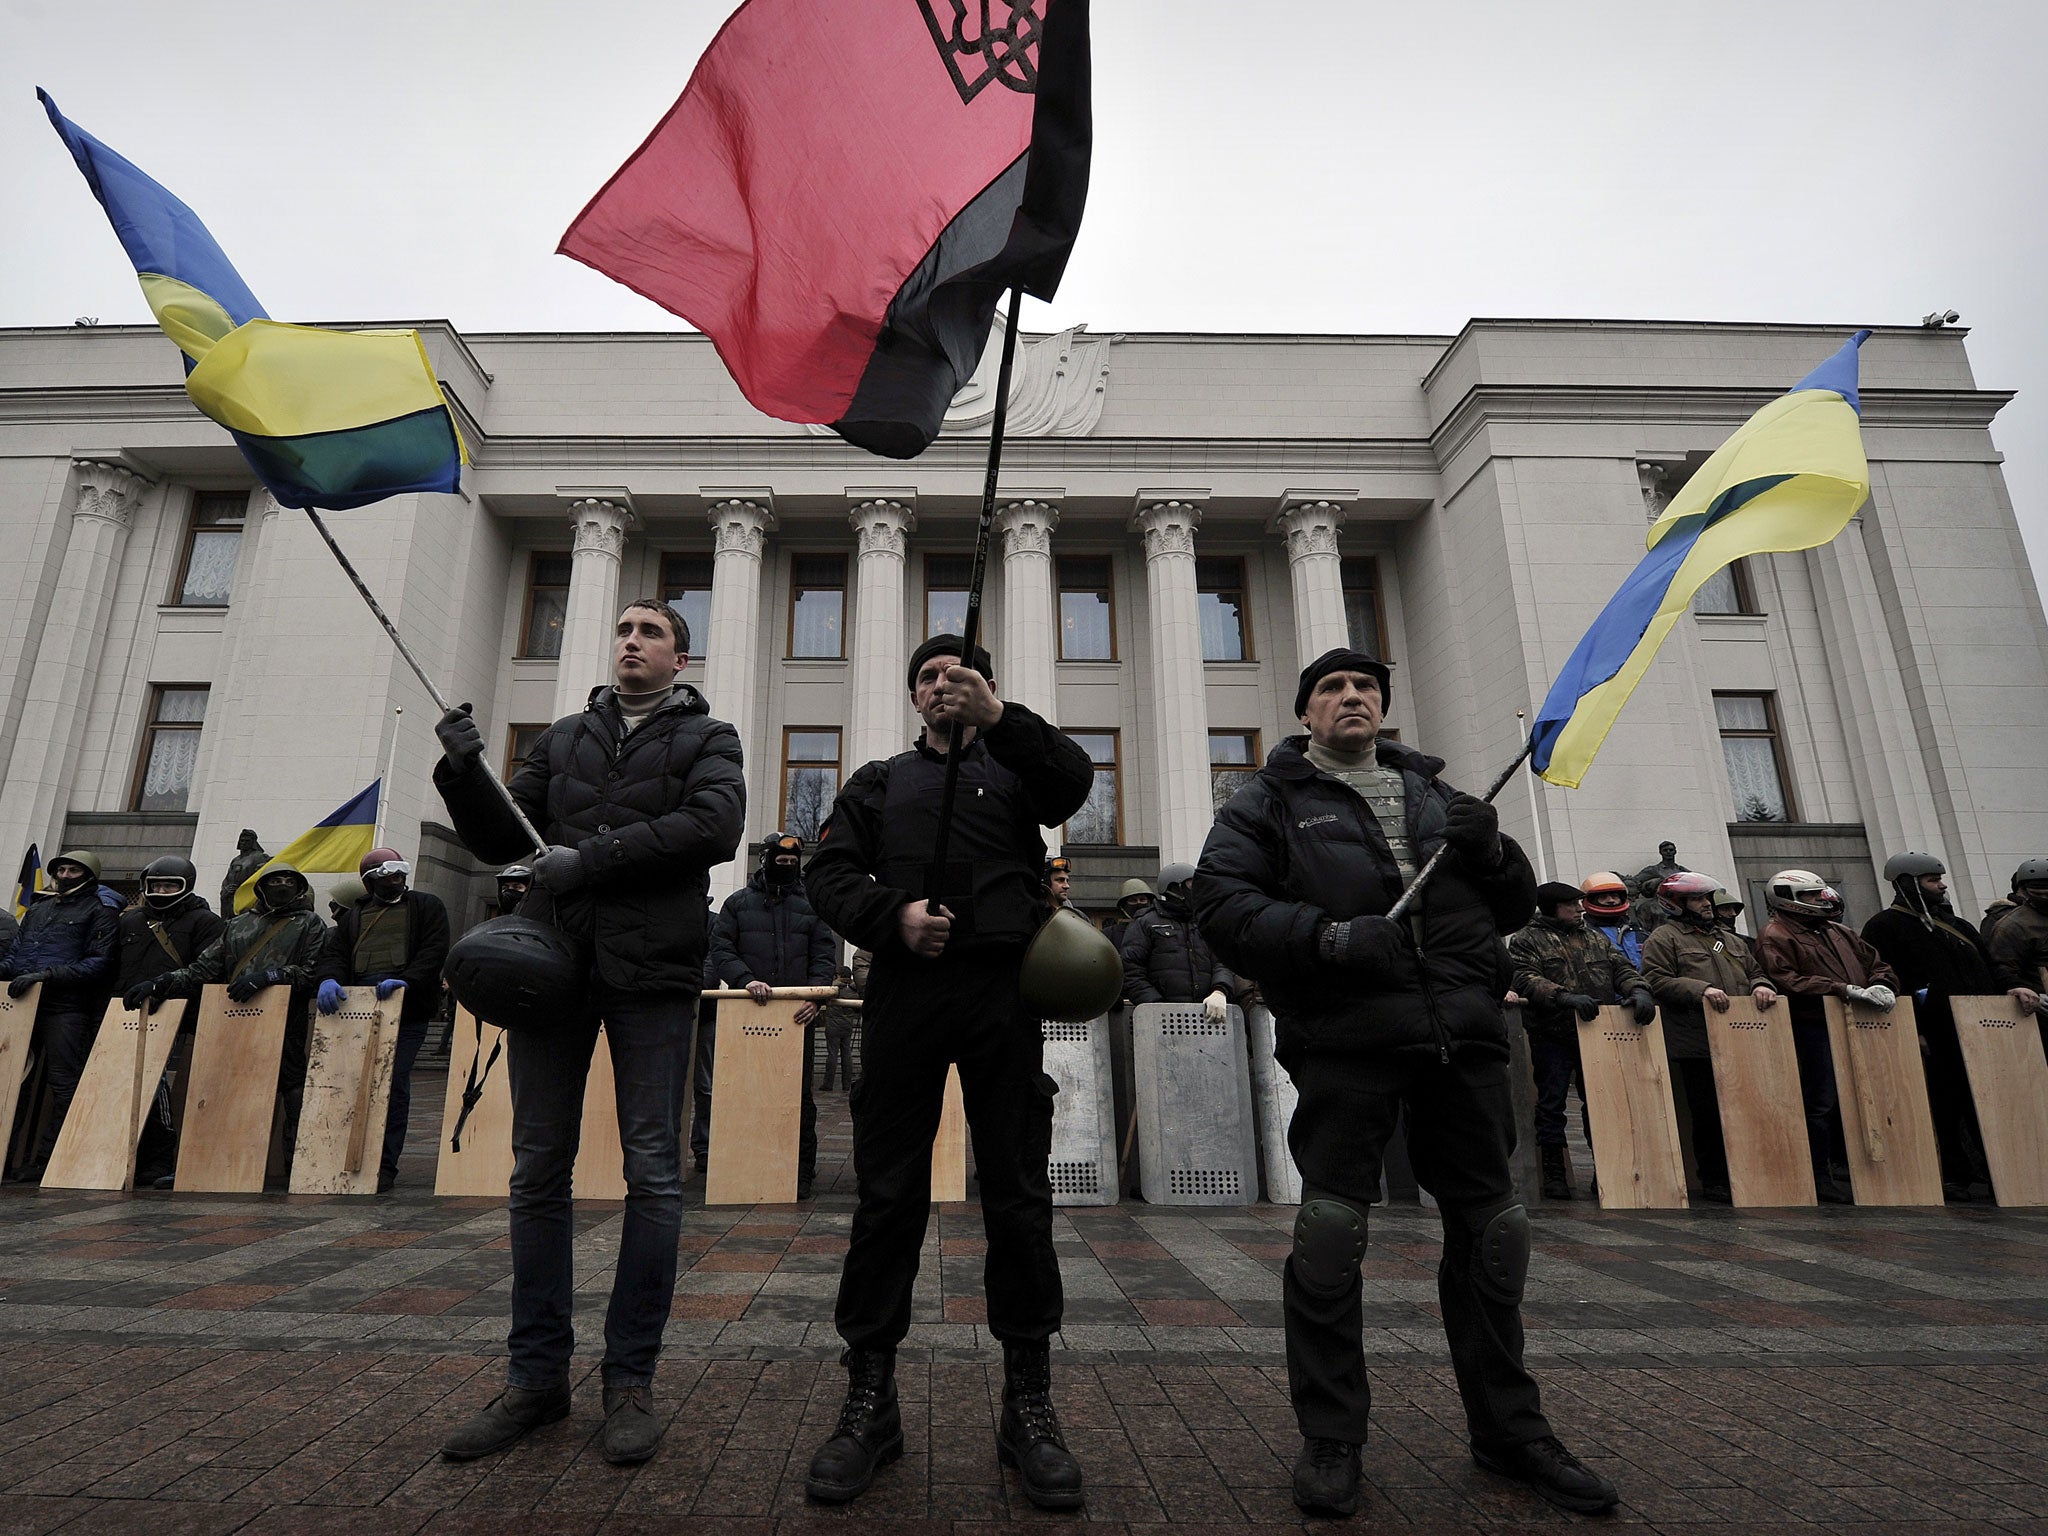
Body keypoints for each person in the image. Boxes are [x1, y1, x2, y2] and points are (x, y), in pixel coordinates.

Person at [1195, 646, 1615, 1519]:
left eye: (1365, 688)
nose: (1351, 698)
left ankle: (1511, 1429)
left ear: (1381, 708)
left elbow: (1508, 908)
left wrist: (1495, 854)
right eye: (1332, 689)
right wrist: (1331, 940)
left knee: (1494, 1233)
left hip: (1459, 1039)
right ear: (1307, 712)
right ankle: (1333, 1435)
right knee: (1331, 1232)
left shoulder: (1441, 797)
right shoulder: (1266, 802)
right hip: (1346, 1040)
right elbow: (1223, 908)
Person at [432, 598, 743, 1468]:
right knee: (536, 1168)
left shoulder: (709, 739)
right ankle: (535, 1380)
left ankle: (630, 1383)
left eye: (650, 633)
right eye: (624, 631)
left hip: (654, 975)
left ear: (680, 659)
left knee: (652, 1170)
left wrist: (592, 859)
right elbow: (502, 835)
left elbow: (714, 828)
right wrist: (462, 772)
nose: (631, 643)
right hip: (551, 970)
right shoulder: (565, 738)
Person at [801, 633, 1093, 1511]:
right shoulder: (879, 782)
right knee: (889, 1193)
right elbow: (828, 873)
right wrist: (891, 917)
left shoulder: (1016, 766)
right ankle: (870, 1399)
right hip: (907, 994)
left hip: (1006, 989)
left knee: (1015, 1191)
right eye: (926, 678)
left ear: (983, 688)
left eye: (957, 677)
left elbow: (1072, 782)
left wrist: (1002, 720)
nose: (940, 688)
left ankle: (1029, 1402)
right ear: (913, 698)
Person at [130, 864, 335, 1162]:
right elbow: (203, 968)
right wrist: (160, 983)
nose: (282, 885)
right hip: (234, 1015)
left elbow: (309, 973)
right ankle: (205, 1162)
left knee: (292, 1089)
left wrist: (270, 977)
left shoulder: (310, 924)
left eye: (288, 881)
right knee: (223, 1088)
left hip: (285, 1016)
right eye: (275, 880)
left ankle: (298, 1163)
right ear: (261, 888)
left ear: (299, 887)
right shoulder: (237, 925)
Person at [1866, 852, 2032, 1198]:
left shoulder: (1958, 926)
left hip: (1979, 1029)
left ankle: (1995, 1170)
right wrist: (1916, 1030)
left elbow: (1989, 966)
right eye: (1932, 880)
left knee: (1984, 1101)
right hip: (1935, 1033)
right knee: (1945, 1104)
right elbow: (1891, 982)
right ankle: (1954, 1174)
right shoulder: (1884, 926)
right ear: (1909, 883)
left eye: (1939, 879)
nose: (1941, 886)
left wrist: (2011, 986)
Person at [1755, 869, 1900, 1204]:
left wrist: (1882, 984)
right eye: (1811, 895)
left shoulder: (1839, 931)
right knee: (1820, 1102)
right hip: (1813, 1025)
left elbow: (1877, 963)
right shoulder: (1775, 935)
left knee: (1860, 1095)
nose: (1821, 900)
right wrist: (1841, 989)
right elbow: (1785, 980)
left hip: (1858, 1021)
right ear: (1788, 899)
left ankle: (1854, 1169)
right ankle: (1821, 1174)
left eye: (1820, 893)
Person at [707, 832, 838, 1198]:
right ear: (764, 860)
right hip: (747, 1017)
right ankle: (741, 1168)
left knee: (799, 1099)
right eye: (780, 861)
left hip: (798, 1018)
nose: (787, 866)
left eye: (792, 862)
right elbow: (721, 947)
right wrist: (745, 980)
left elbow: (823, 955)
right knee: (743, 1093)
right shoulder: (737, 904)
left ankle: (800, 1174)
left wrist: (816, 998)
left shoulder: (811, 906)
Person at [1507, 881, 1656, 1203]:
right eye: (1571, 905)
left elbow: (1622, 968)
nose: (1579, 909)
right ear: (1552, 908)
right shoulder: (1526, 939)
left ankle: (1605, 1171)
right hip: (1553, 1033)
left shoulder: (1593, 938)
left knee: (1602, 1104)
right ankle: (1556, 1175)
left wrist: (1638, 990)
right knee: (1551, 1105)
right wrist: (1562, 997)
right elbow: (1524, 977)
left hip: (1597, 1032)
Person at [1639, 872, 1780, 1204]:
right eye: (1699, 899)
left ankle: (1752, 1172)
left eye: (1707, 898)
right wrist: (1700, 989)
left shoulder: (1729, 939)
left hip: (1741, 1037)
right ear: (1677, 904)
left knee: (1749, 1105)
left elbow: (1755, 970)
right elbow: (1655, 979)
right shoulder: (1665, 937)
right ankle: (1714, 1178)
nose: (1707, 904)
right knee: (1707, 1113)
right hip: (1695, 1039)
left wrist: (1762, 985)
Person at [320, 847, 451, 1193]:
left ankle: (384, 1166)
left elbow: (434, 949)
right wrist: (330, 978)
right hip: (357, 1009)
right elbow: (335, 955)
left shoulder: (426, 906)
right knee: (349, 1083)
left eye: (399, 872)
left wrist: (410, 979)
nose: (396, 878)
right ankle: (340, 1159)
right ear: (370, 880)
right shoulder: (353, 916)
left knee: (392, 1087)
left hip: (405, 1010)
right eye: (387, 873)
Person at [1, 850, 119, 1181]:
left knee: (64, 1082)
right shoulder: (38, 909)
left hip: (65, 1007)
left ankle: (49, 1159)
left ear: (89, 876)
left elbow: (99, 962)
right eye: (62, 869)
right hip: (24, 1004)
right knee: (13, 1080)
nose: (65, 875)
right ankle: (5, 1157)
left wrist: (47, 976)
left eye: (73, 870)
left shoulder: (101, 911)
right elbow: (16, 955)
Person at [113, 857, 226, 1188]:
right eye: (156, 885)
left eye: (170, 885)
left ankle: (160, 1157)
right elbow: (115, 965)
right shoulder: (131, 921)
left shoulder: (206, 922)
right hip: (125, 1012)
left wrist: (165, 990)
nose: (161, 891)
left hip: (175, 1014)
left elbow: (207, 970)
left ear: (186, 885)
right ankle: (124, 1155)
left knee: (156, 1085)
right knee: (123, 1085)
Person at [1119, 861, 1245, 1020]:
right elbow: (1131, 970)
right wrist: (1156, 1005)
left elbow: (1222, 961)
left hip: (1207, 1017)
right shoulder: (1146, 923)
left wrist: (1219, 990)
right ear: (1174, 888)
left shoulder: (1205, 922)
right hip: (1162, 1021)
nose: (1197, 890)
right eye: (1192, 885)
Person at [1578, 871, 1648, 967]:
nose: (1610, 900)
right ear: (1590, 900)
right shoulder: (1583, 934)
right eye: (1603, 897)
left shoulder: (1637, 931)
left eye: (1614, 896)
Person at [820, 963, 859, 1092]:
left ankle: (828, 1083)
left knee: (832, 1054)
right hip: (847, 1025)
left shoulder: (834, 988)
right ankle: (846, 1084)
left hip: (833, 1026)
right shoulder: (854, 990)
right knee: (847, 1055)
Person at [219, 828, 268, 915]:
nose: (244, 843)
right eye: (242, 840)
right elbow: (227, 879)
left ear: (253, 842)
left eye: (247, 841)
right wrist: (226, 890)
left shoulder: (258, 857)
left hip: (246, 899)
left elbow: (261, 878)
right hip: (230, 898)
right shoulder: (235, 860)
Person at [1101, 879, 1154, 960]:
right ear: (1123, 906)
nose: (1138, 903)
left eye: (1142, 899)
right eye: (1133, 900)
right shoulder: (1109, 934)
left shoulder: (1159, 929)